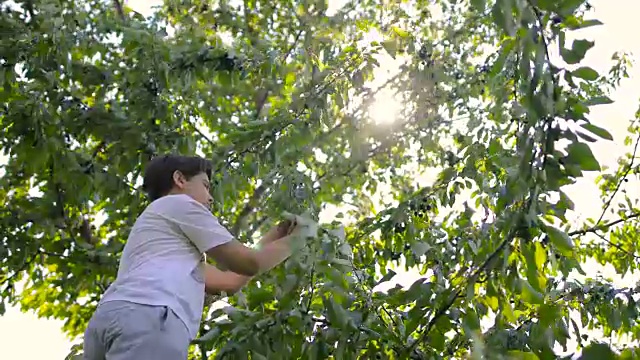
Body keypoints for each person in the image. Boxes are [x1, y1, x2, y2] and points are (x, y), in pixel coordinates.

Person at [82, 154, 302, 360]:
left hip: (110, 320)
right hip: (151, 317)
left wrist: (274, 236)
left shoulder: (164, 243)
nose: (210, 198)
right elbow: (250, 263)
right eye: (206, 186)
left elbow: (231, 280)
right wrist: (301, 237)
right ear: (179, 179)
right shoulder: (180, 204)